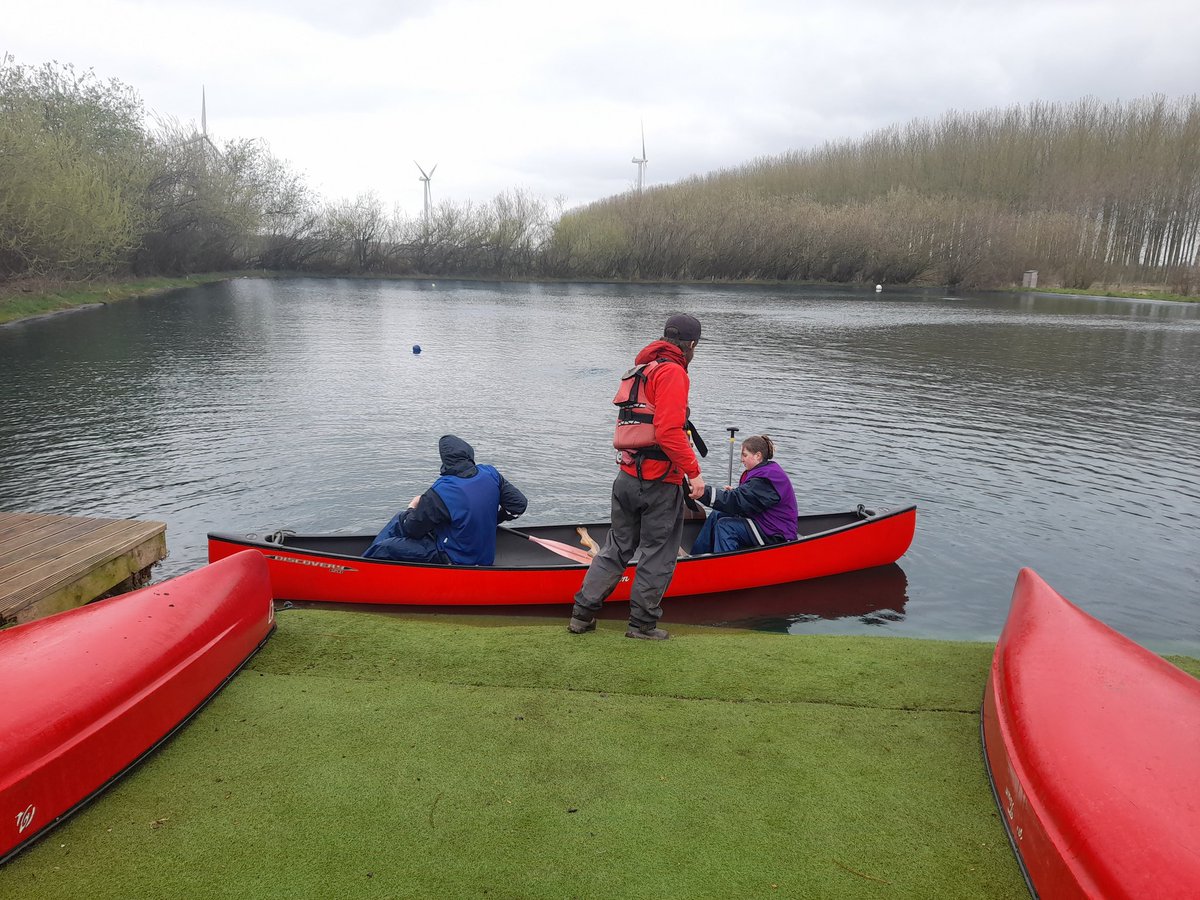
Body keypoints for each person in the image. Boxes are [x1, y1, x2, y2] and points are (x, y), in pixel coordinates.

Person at [568, 313, 706, 641]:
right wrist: (694, 473)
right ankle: (642, 625)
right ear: (691, 345)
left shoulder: (641, 370)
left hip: (627, 477)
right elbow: (670, 431)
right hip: (659, 482)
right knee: (658, 552)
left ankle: (582, 615)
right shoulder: (673, 372)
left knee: (616, 547)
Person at [363, 434, 527, 565]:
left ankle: (363, 567)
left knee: (385, 546)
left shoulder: (441, 491)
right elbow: (518, 505)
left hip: (454, 557)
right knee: (400, 518)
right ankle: (368, 561)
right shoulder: (491, 473)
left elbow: (412, 530)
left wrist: (412, 507)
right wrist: (494, 518)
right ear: (469, 454)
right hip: (483, 554)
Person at [690, 434, 798, 555]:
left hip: (775, 533)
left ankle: (724, 567)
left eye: (745, 455)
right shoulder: (762, 472)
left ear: (758, 456)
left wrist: (703, 493)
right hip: (762, 521)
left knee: (725, 526)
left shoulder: (767, 479)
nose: (741, 459)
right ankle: (696, 556)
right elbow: (748, 498)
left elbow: (739, 501)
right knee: (717, 514)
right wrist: (737, 492)